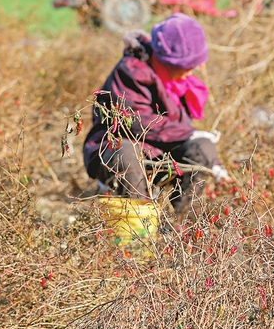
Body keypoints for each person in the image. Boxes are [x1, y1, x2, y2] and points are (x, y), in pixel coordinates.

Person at [83, 13, 229, 217]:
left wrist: (211, 160)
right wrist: (189, 133)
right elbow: (135, 123)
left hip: (162, 152)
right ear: (166, 60)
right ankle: (137, 235)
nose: (190, 72)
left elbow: (180, 132)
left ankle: (180, 228)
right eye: (184, 66)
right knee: (126, 153)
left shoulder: (178, 81)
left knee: (203, 148)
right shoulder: (131, 72)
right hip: (118, 149)